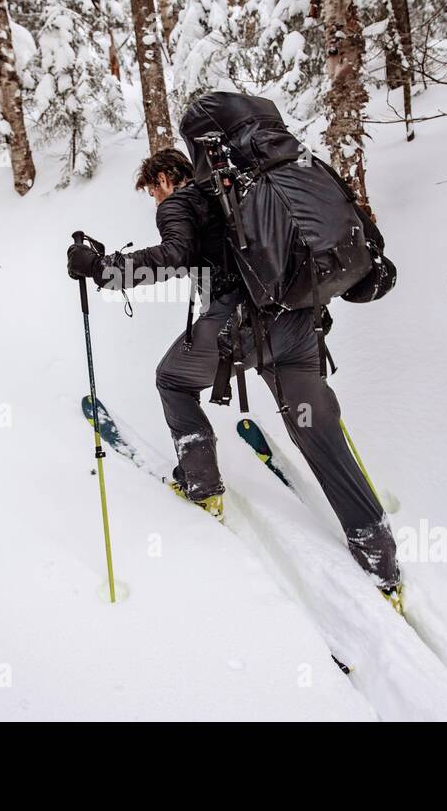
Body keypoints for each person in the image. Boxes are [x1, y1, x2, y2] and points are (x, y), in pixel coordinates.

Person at [66, 148, 401, 595]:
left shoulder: (183, 201)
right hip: (298, 324)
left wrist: (103, 270)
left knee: (173, 380)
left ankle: (202, 484)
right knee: (316, 429)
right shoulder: (249, 194)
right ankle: (379, 557)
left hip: (237, 331)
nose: (154, 198)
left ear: (166, 177)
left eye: (152, 188)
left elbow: (173, 255)